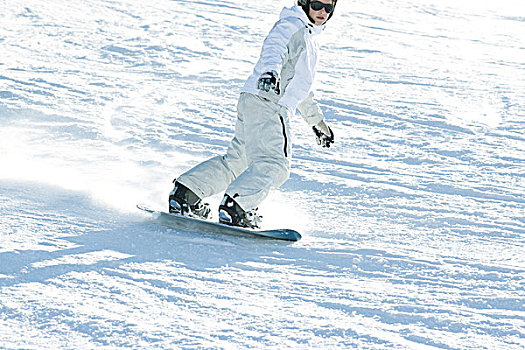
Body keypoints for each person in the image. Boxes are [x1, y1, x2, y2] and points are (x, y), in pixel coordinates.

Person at [169, 0, 337, 228]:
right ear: (304, 2)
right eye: (317, 4)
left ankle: (187, 193)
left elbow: (301, 88)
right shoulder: (293, 26)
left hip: (254, 98)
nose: (322, 12)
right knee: (275, 164)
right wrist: (269, 73)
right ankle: (237, 207)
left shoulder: (307, 35)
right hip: (270, 101)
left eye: (329, 7)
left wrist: (317, 122)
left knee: (238, 162)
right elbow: (274, 48)